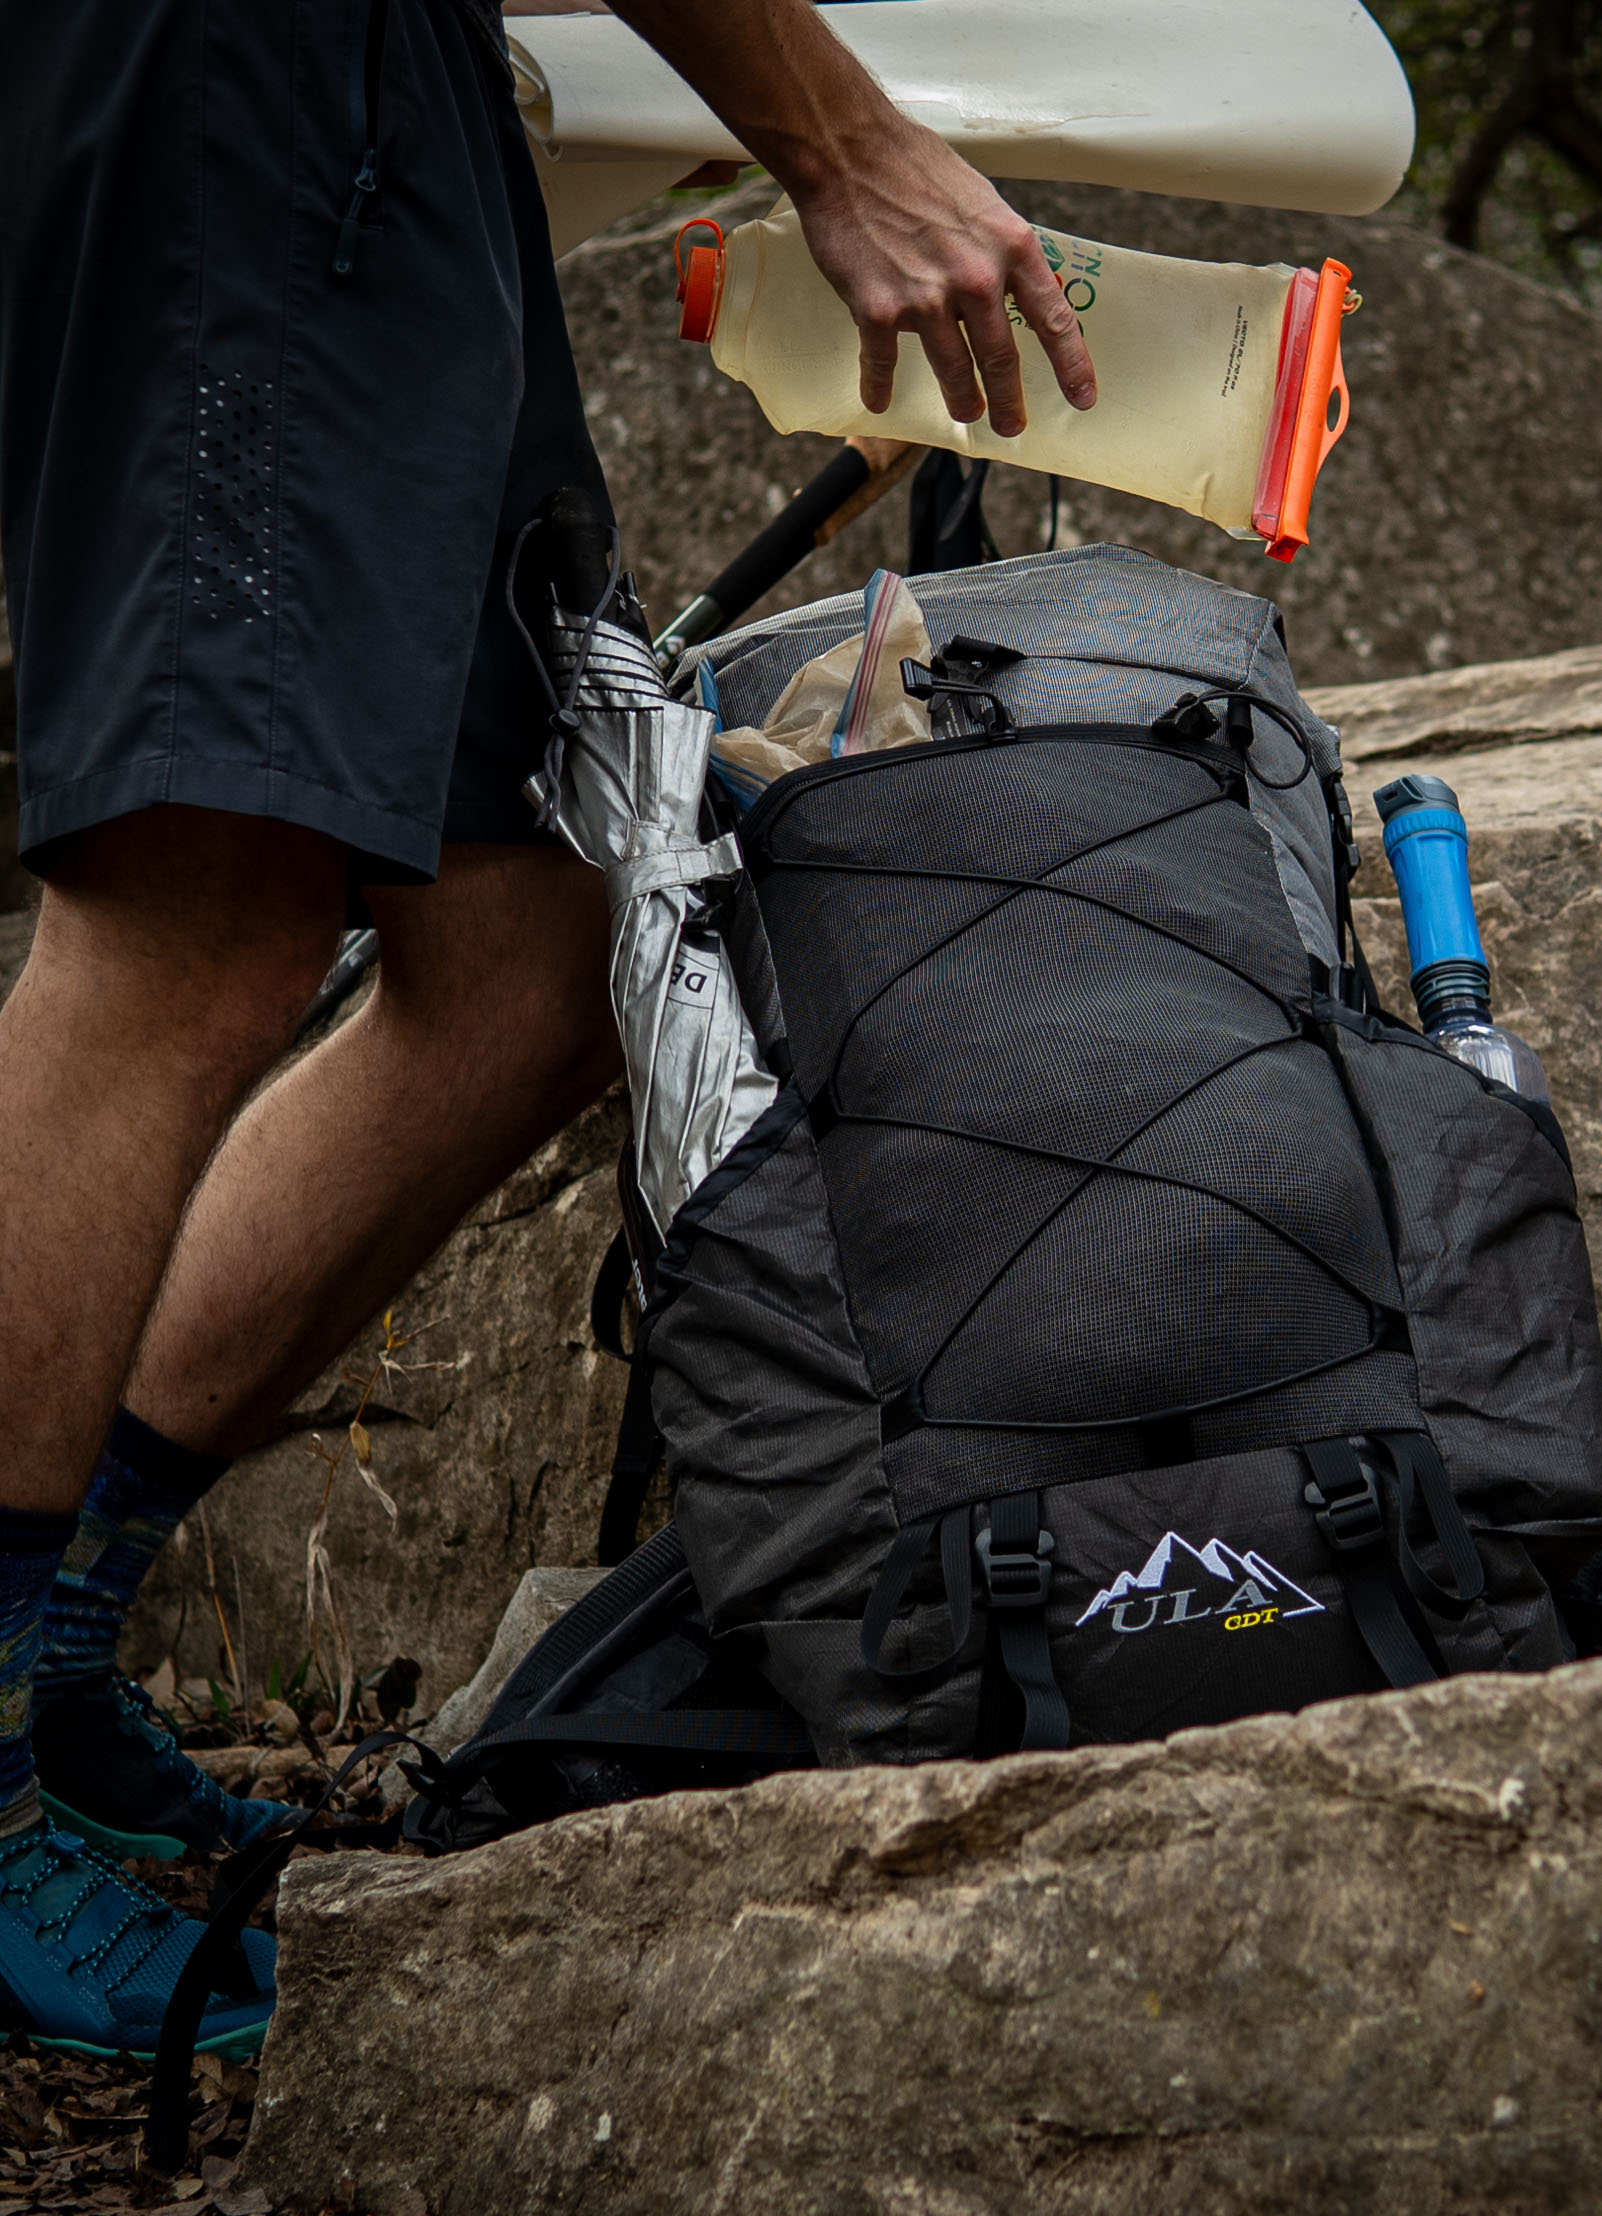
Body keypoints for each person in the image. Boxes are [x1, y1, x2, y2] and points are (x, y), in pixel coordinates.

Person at [0, 0, 1094, 2059]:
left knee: (539, 929)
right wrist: (830, 136)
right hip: (237, 85)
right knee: (195, 904)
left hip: (382, 102)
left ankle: (50, 1637)